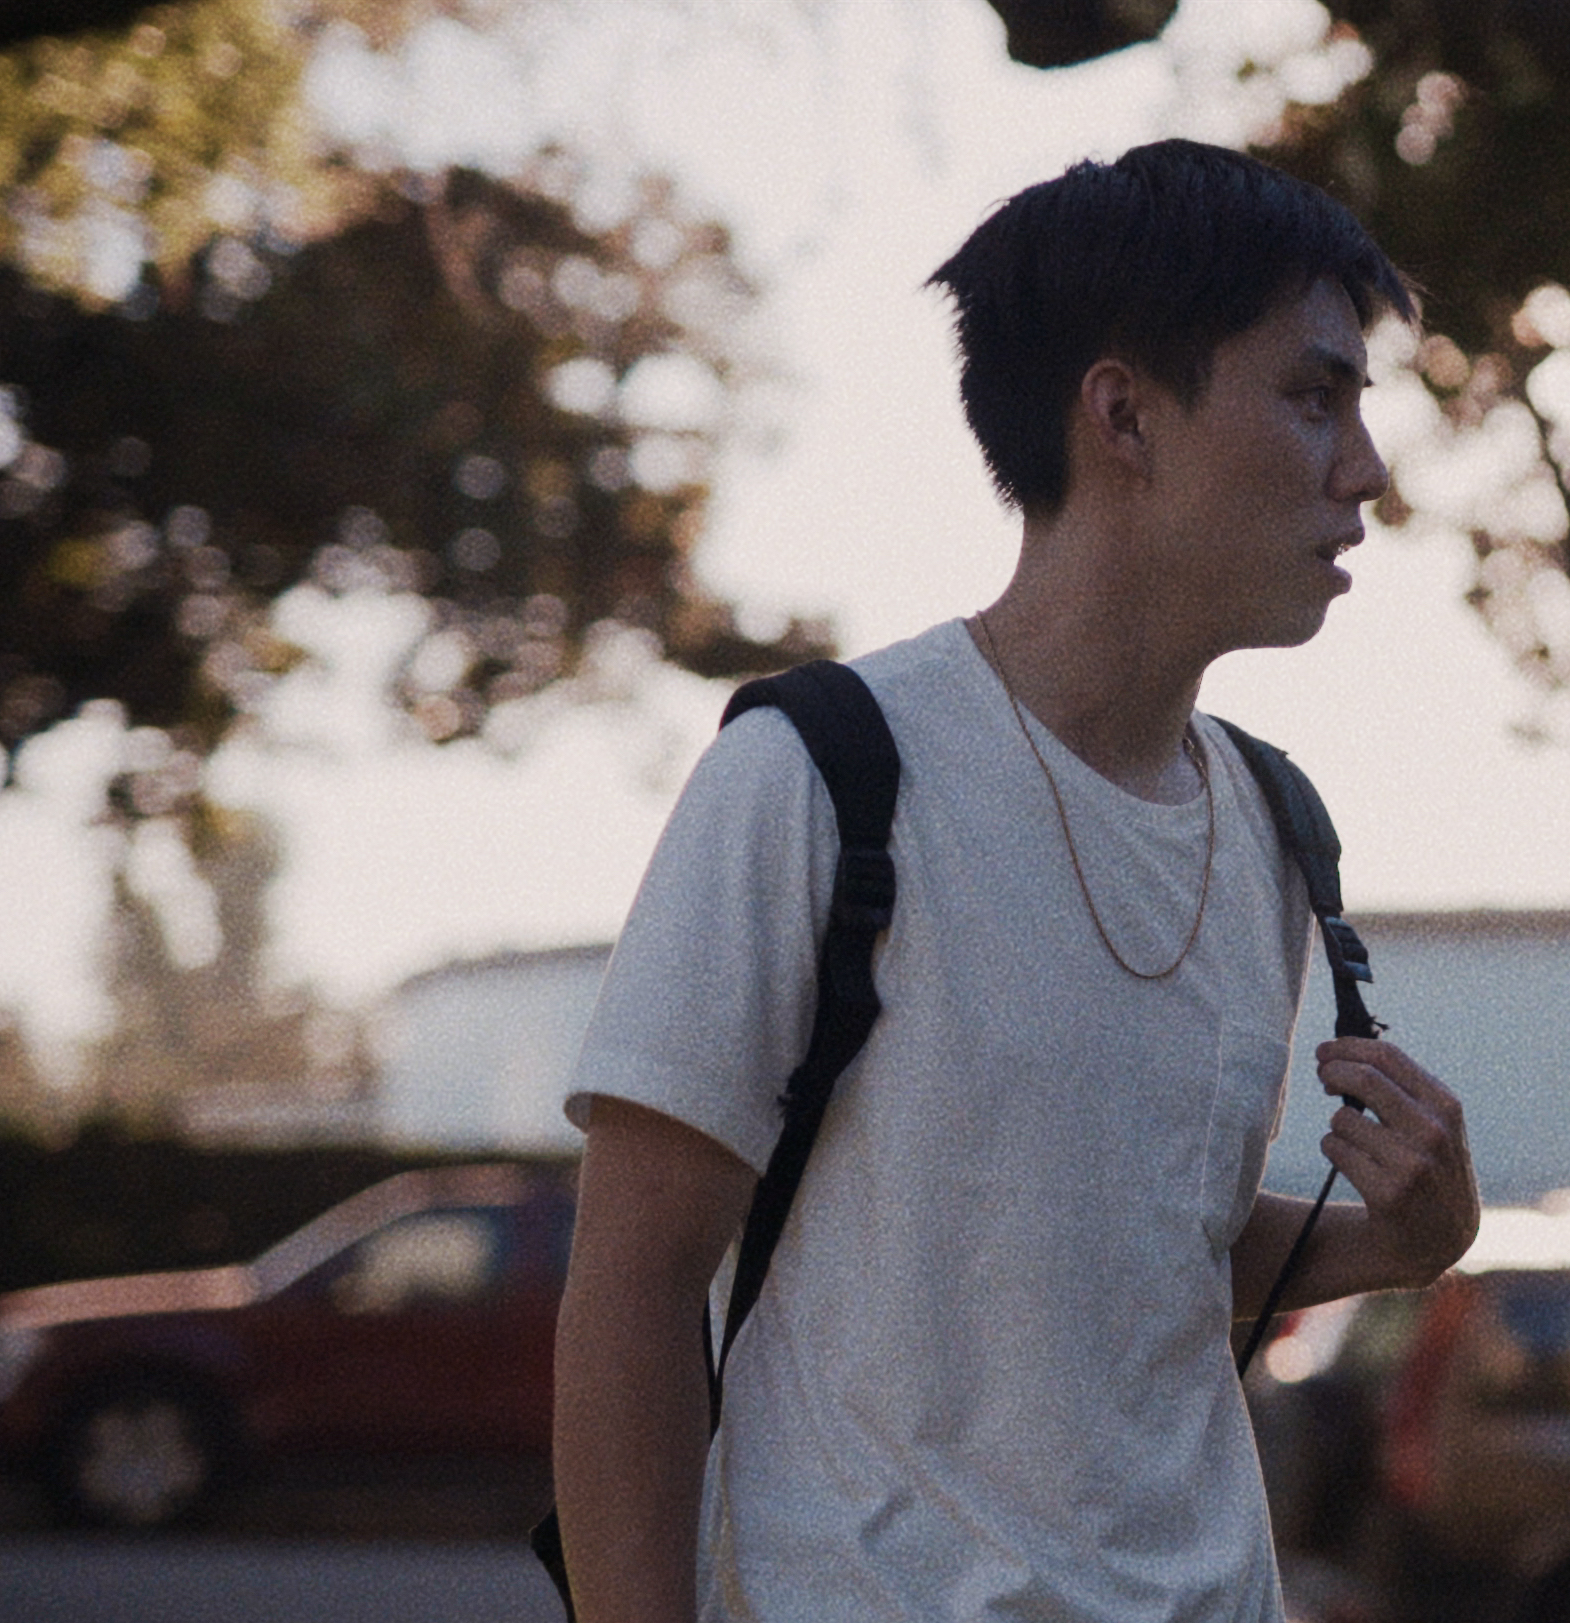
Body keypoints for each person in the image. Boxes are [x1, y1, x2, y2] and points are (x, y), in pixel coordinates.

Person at [549, 140, 1480, 1623]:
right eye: (1315, 397)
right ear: (1121, 412)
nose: (1366, 468)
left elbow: (1102, 1249)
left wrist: (1386, 1247)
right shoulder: (820, 775)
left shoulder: (1275, 827)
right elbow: (634, 1286)